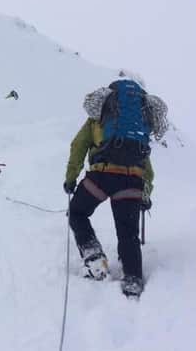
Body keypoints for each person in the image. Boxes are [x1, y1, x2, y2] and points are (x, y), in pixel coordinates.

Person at [63, 75, 168, 298]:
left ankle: (94, 259)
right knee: (128, 233)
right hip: (132, 181)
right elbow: (147, 168)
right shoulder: (138, 128)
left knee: (78, 212)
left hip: (102, 176)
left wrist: (71, 179)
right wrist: (145, 194)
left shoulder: (99, 116)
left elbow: (78, 146)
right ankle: (133, 281)